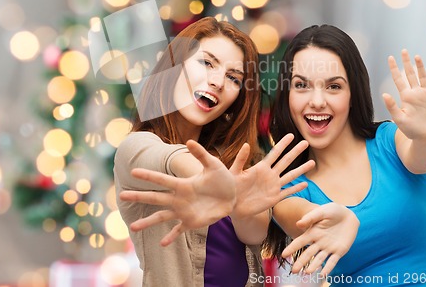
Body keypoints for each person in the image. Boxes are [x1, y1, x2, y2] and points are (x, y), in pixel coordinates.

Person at [114, 17, 314, 287]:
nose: (218, 81)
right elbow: (170, 160)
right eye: (207, 63)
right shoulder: (136, 147)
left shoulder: (239, 161)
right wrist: (218, 184)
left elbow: (254, 235)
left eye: (234, 78)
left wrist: (237, 200)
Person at [263, 24, 426, 285]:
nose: (317, 101)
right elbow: (301, 218)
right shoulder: (289, 184)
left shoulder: (389, 141)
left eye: (333, 87)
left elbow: (423, 157)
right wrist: (331, 220)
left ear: (353, 93)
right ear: (286, 96)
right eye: (301, 85)